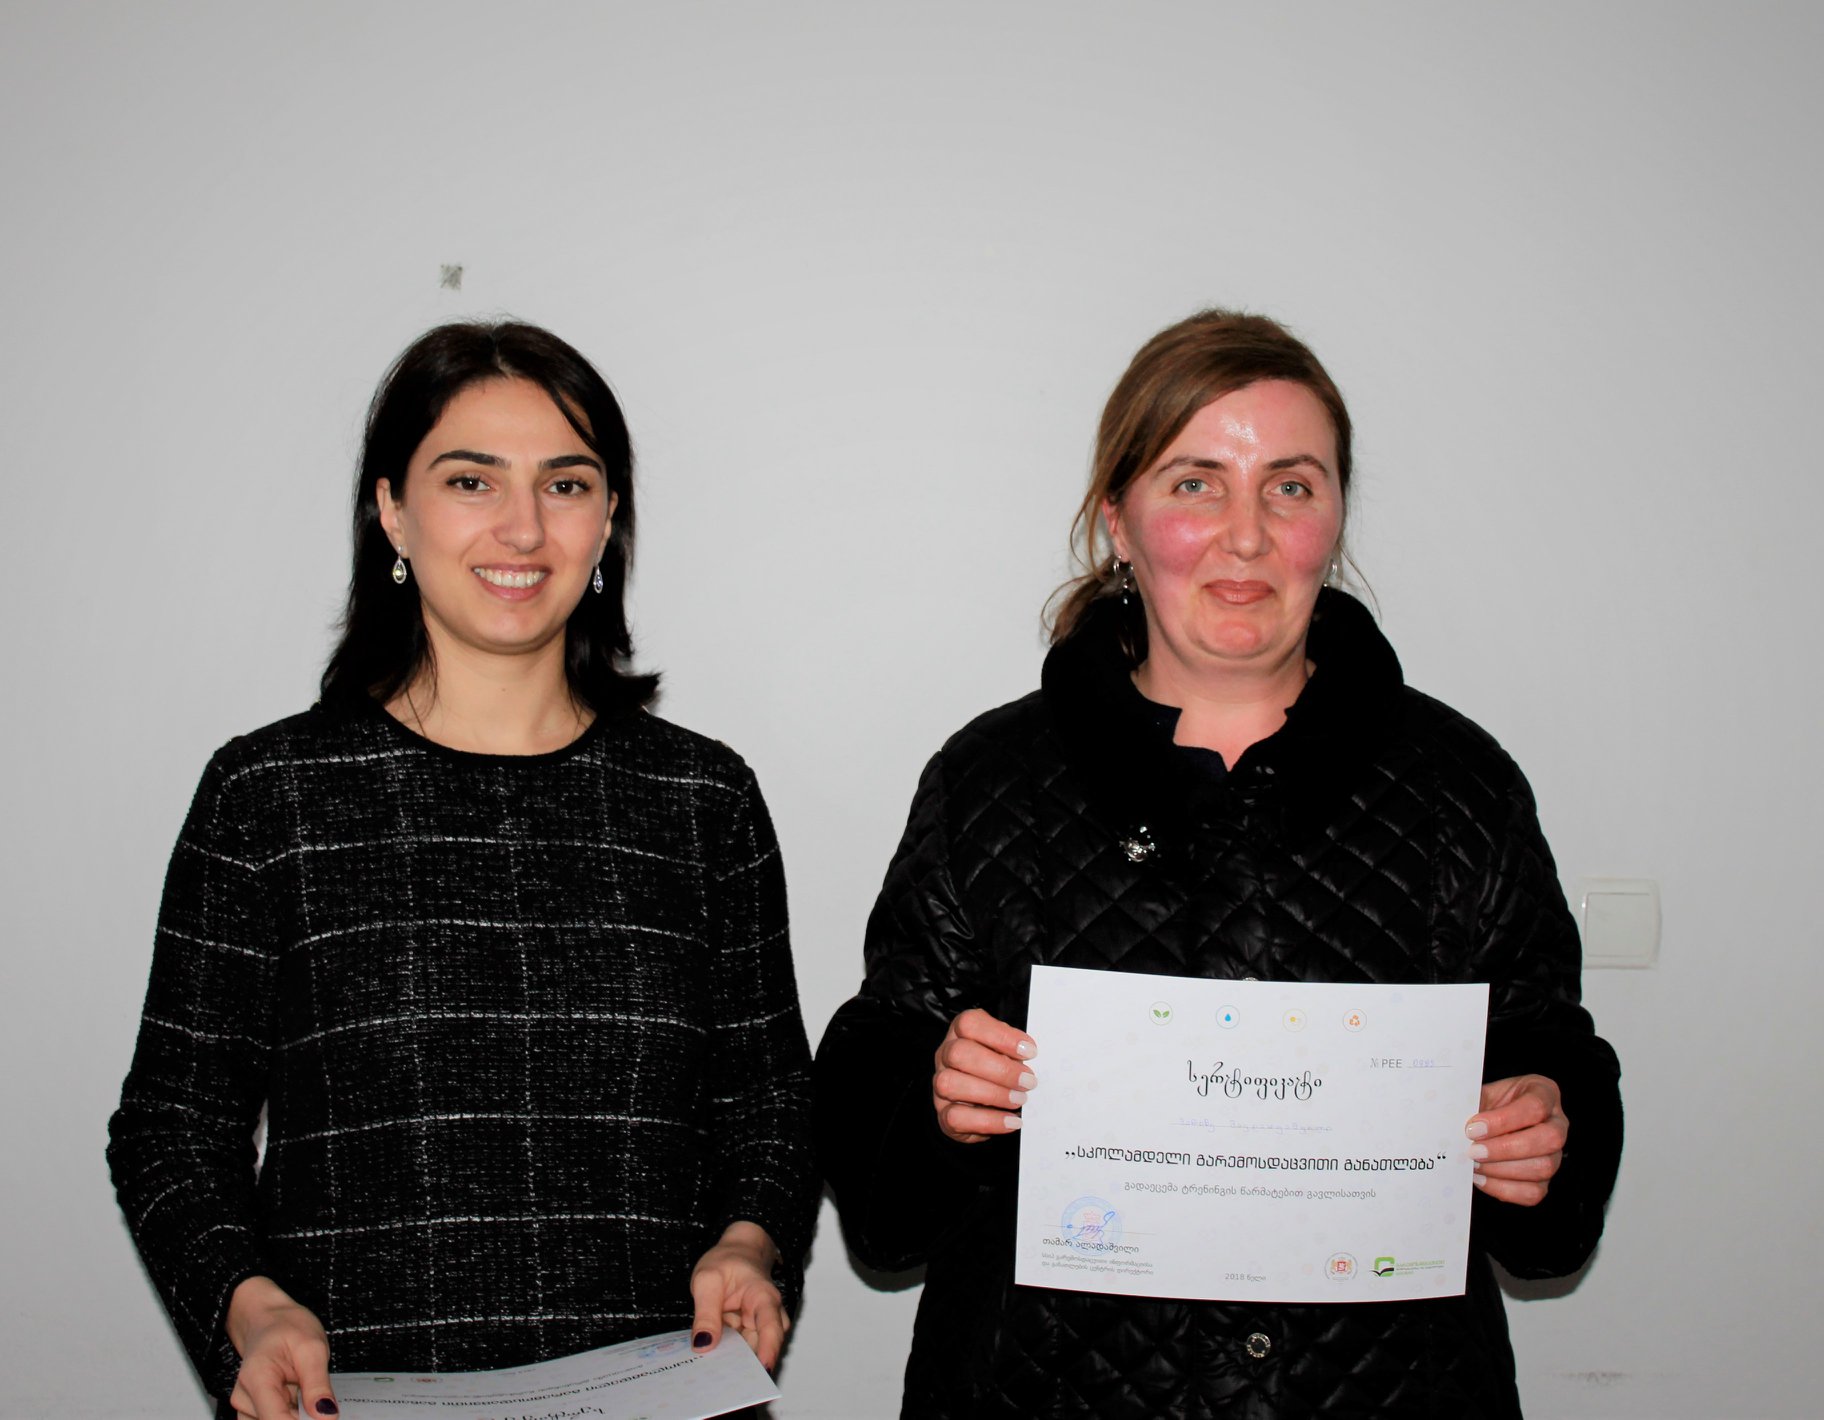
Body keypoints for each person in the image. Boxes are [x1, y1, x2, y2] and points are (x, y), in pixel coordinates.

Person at [815, 310, 1623, 1418]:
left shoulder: (1459, 783)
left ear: (1334, 518)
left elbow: (1547, 1054)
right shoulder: (989, 780)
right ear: (1118, 518)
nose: (1246, 535)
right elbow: (879, 1147)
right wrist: (939, 1104)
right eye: (1196, 483)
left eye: (1290, 486)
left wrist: (1545, 1132)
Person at [108, 322, 815, 1420]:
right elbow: (172, 1126)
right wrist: (248, 1306)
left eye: (566, 484)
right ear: (393, 510)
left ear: (608, 518)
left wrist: (750, 1239)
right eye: (471, 480)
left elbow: (770, 1103)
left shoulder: (701, 800)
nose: (522, 527)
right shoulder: (269, 795)